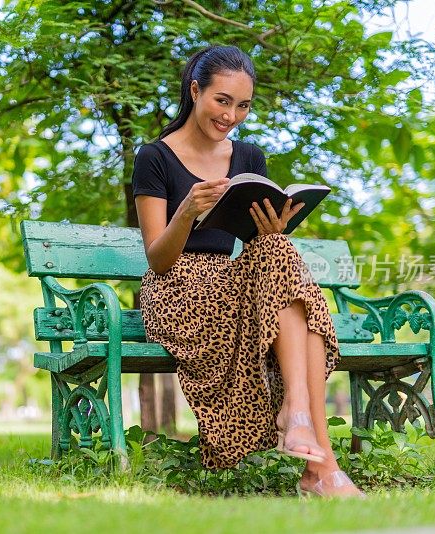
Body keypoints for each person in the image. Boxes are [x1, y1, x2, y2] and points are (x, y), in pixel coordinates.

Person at [132, 45, 364, 498]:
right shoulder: (154, 157)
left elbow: (259, 249)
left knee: (278, 249)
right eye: (223, 101)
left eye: (243, 106)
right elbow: (158, 261)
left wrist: (271, 229)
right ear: (195, 91)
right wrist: (186, 212)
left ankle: (300, 420)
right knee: (302, 304)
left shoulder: (249, 157)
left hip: (234, 282)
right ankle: (322, 469)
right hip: (178, 288)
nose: (232, 115)